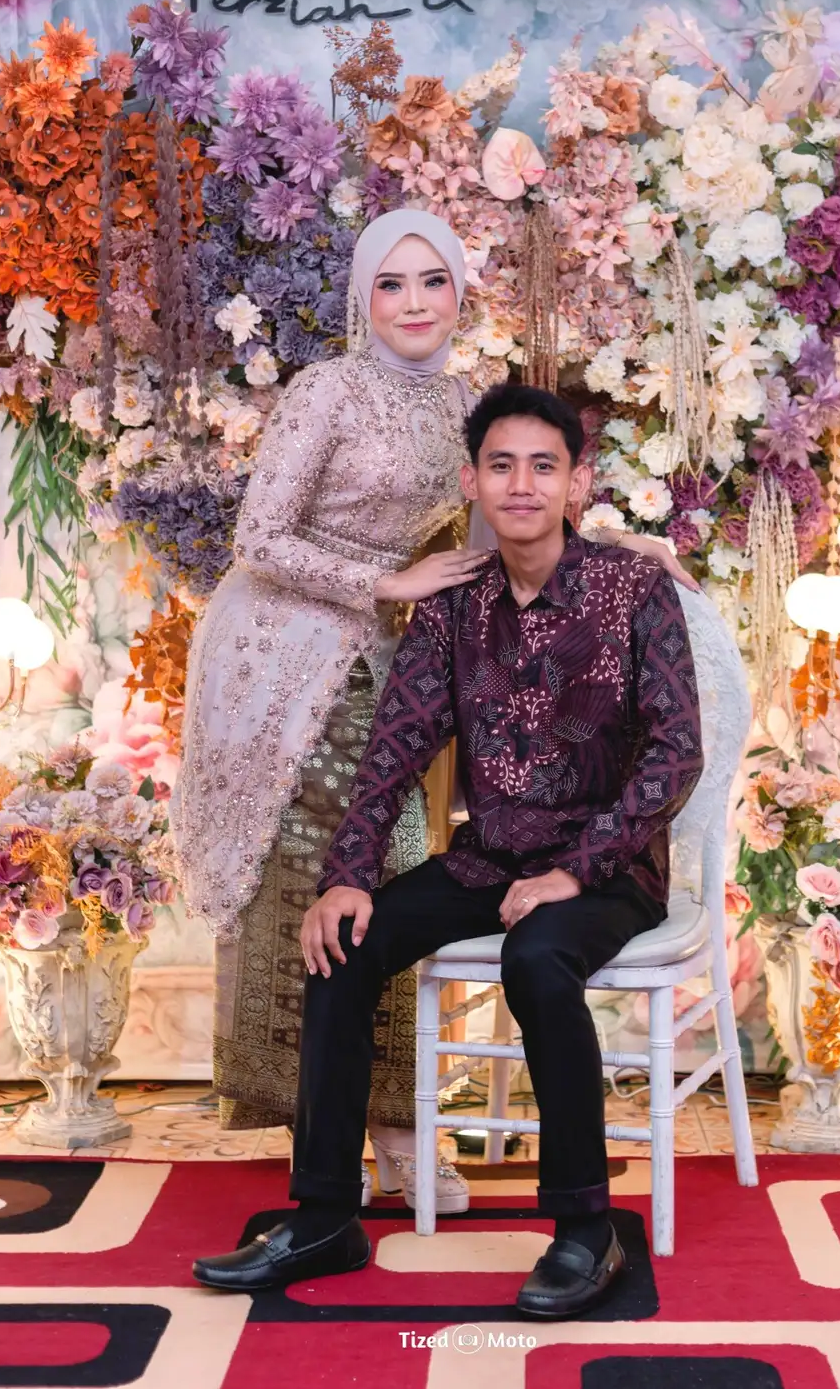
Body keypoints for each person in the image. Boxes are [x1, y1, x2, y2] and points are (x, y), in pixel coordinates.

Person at [172, 212, 696, 1214]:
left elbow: (527, 512)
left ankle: (541, 1205)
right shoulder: (329, 392)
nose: (413, 302)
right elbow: (260, 537)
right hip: (281, 655)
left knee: (439, 898)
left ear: (461, 294)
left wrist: (629, 554)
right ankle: (335, 1189)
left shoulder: (469, 405)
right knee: (328, 903)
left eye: (432, 282)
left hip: (400, 656)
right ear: (361, 297)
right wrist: (390, 581)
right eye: (390, 283)